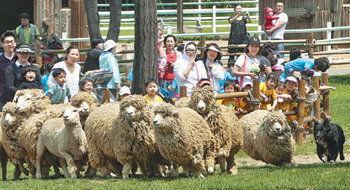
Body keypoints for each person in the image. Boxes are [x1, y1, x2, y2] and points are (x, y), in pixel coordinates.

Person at [0, 32, 17, 110]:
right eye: (7, 42)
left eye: (12, 42)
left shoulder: (20, 58)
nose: (10, 44)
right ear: (2, 44)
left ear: (15, 43)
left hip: (18, 96)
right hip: (2, 96)